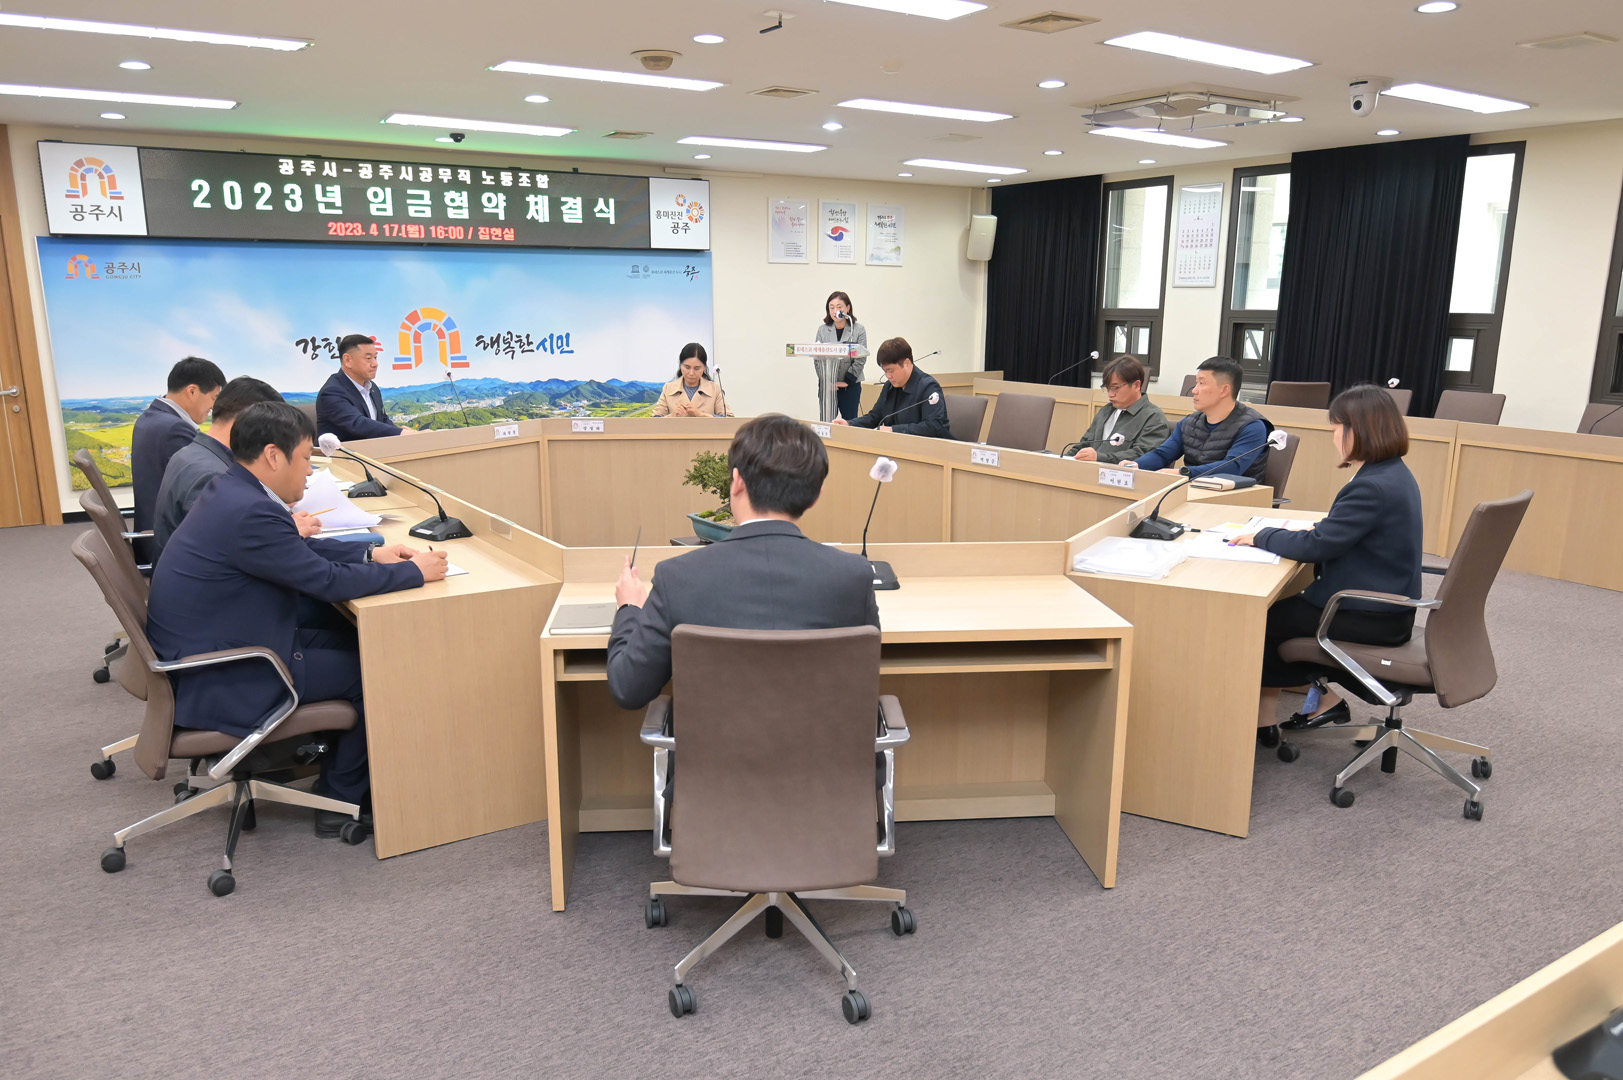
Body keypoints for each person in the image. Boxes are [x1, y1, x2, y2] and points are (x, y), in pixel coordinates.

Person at [145, 402, 448, 835]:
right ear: (273, 455)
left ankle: (343, 773)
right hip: (228, 672)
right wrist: (413, 572)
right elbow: (325, 581)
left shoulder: (234, 490)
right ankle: (340, 800)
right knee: (379, 667)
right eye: (305, 458)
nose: (309, 471)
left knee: (360, 641)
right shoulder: (250, 509)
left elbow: (293, 550)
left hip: (219, 644)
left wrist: (371, 552)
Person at [607, 413, 879, 709]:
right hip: (823, 740)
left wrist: (630, 608)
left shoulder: (677, 577)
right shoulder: (854, 576)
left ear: (736, 482)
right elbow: (863, 676)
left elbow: (628, 688)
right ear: (816, 496)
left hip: (711, 741)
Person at [1229, 385, 1423, 732]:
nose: (1333, 436)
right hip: (1388, 604)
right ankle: (1315, 701)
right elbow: (1342, 531)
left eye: (1336, 428)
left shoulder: (1371, 486)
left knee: (1260, 622)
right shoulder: (1393, 472)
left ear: (1358, 430)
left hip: (1366, 612)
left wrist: (1261, 536)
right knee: (1280, 615)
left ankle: (1269, 719)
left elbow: (1317, 546)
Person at [151, 376, 305, 564]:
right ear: (247, 423)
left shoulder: (195, 452)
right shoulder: (213, 477)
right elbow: (232, 550)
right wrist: (288, 530)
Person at [132, 357, 225, 565]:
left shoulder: (152, 417)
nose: (214, 407)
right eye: (213, 397)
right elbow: (204, 488)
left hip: (152, 534)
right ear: (192, 391)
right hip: (167, 548)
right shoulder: (175, 429)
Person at [1127, 356, 1272, 481]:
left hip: (1236, 498)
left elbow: (1232, 467)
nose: (1194, 390)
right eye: (1196, 383)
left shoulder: (1253, 426)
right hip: (1192, 492)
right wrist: (1136, 465)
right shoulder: (1190, 422)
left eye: (1201, 383)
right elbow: (1163, 454)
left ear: (1224, 390)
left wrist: (1183, 473)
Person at [834, 337, 951, 439]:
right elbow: (875, 417)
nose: (888, 376)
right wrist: (850, 424)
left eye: (891, 370)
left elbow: (934, 426)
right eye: (885, 371)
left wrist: (893, 430)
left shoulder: (928, 387)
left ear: (906, 363)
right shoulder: (890, 386)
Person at [1068, 355, 1171, 464]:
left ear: (1136, 385)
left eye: (1115, 388)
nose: (1110, 394)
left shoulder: (1153, 417)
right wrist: (1062, 459)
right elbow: (1084, 445)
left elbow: (1142, 455)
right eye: (1108, 388)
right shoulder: (1106, 411)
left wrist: (1100, 457)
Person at [316, 334, 415, 441]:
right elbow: (358, 424)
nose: (375, 364)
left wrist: (400, 432)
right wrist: (400, 433)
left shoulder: (372, 387)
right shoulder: (332, 392)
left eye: (375, 357)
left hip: (373, 449)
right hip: (343, 451)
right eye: (368, 358)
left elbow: (382, 419)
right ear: (347, 360)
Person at [815, 291, 869, 421]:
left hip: (850, 385)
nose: (835, 311)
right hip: (828, 386)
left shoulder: (858, 329)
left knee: (850, 422)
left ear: (848, 308)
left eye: (839, 307)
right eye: (832, 307)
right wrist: (827, 381)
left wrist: (847, 381)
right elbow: (817, 359)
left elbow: (861, 358)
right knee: (827, 422)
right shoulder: (822, 330)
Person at [652, 343, 732, 417]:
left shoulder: (715, 389)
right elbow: (655, 420)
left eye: (697, 368)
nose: (691, 373)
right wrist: (671, 416)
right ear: (680, 365)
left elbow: (729, 419)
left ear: (704, 367)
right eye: (687, 367)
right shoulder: (668, 389)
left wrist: (701, 415)